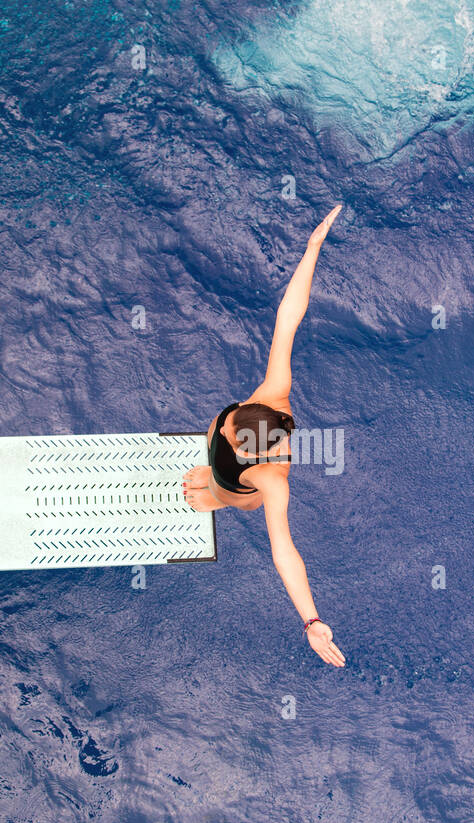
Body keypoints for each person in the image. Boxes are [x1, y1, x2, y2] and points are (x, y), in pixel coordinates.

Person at [183, 205, 346, 667]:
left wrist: (312, 622)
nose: (228, 419)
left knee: (224, 491)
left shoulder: (271, 480)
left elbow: (283, 552)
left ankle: (214, 493)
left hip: (240, 489)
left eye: (230, 430)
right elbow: (288, 316)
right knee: (210, 458)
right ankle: (210, 475)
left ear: (245, 449)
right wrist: (313, 248)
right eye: (234, 416)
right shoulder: (273, 395)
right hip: (234, 458)